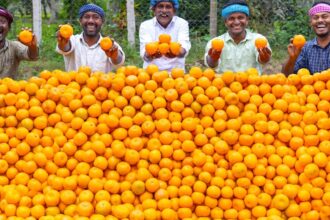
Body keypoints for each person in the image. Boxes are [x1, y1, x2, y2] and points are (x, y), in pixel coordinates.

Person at [204, 0, 271, 74]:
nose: (236, 22)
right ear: (225, 22)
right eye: (231, 18)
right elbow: (211, 65)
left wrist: (265, 57)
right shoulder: (214, 43)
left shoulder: (258, 39)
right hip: (224, 83)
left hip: (252, 83)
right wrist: (213, 58)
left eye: (240, 17)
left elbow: (263, 61)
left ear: (247, 20)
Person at [56, 3, 125, 73]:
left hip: (102, 83)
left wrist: (115, 56)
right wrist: (62, 42)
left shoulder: (110, 45)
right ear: (80, 21)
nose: (91, 21)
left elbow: (119, 61)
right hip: (73, 84)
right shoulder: (72, 40)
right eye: (86, 17)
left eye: (96, 17)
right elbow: (65, 47)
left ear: (102, 22)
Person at [139, 0, 191, 72]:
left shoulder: (182, 24)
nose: (164, 10)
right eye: (160, 6)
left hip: (176, 75)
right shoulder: (146, 26)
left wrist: (176, 52)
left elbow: (184, 48)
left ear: (174, 10)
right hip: (151, 76)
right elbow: (145, 54)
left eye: (168, 7)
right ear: (154, 9)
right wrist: (151, 54)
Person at [282, 1, 330, 75]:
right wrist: (292, 58)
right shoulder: (306, 48)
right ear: (311, 22)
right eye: (315, 18)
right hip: (311, 87)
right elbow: (286, 76)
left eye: (325, 16)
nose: (320, 20)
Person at [0, 7, 38, 79]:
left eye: (2, 21)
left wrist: (32, 46)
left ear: (9, 28)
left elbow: (33, 56)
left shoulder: (14, 46)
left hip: (9, 89)